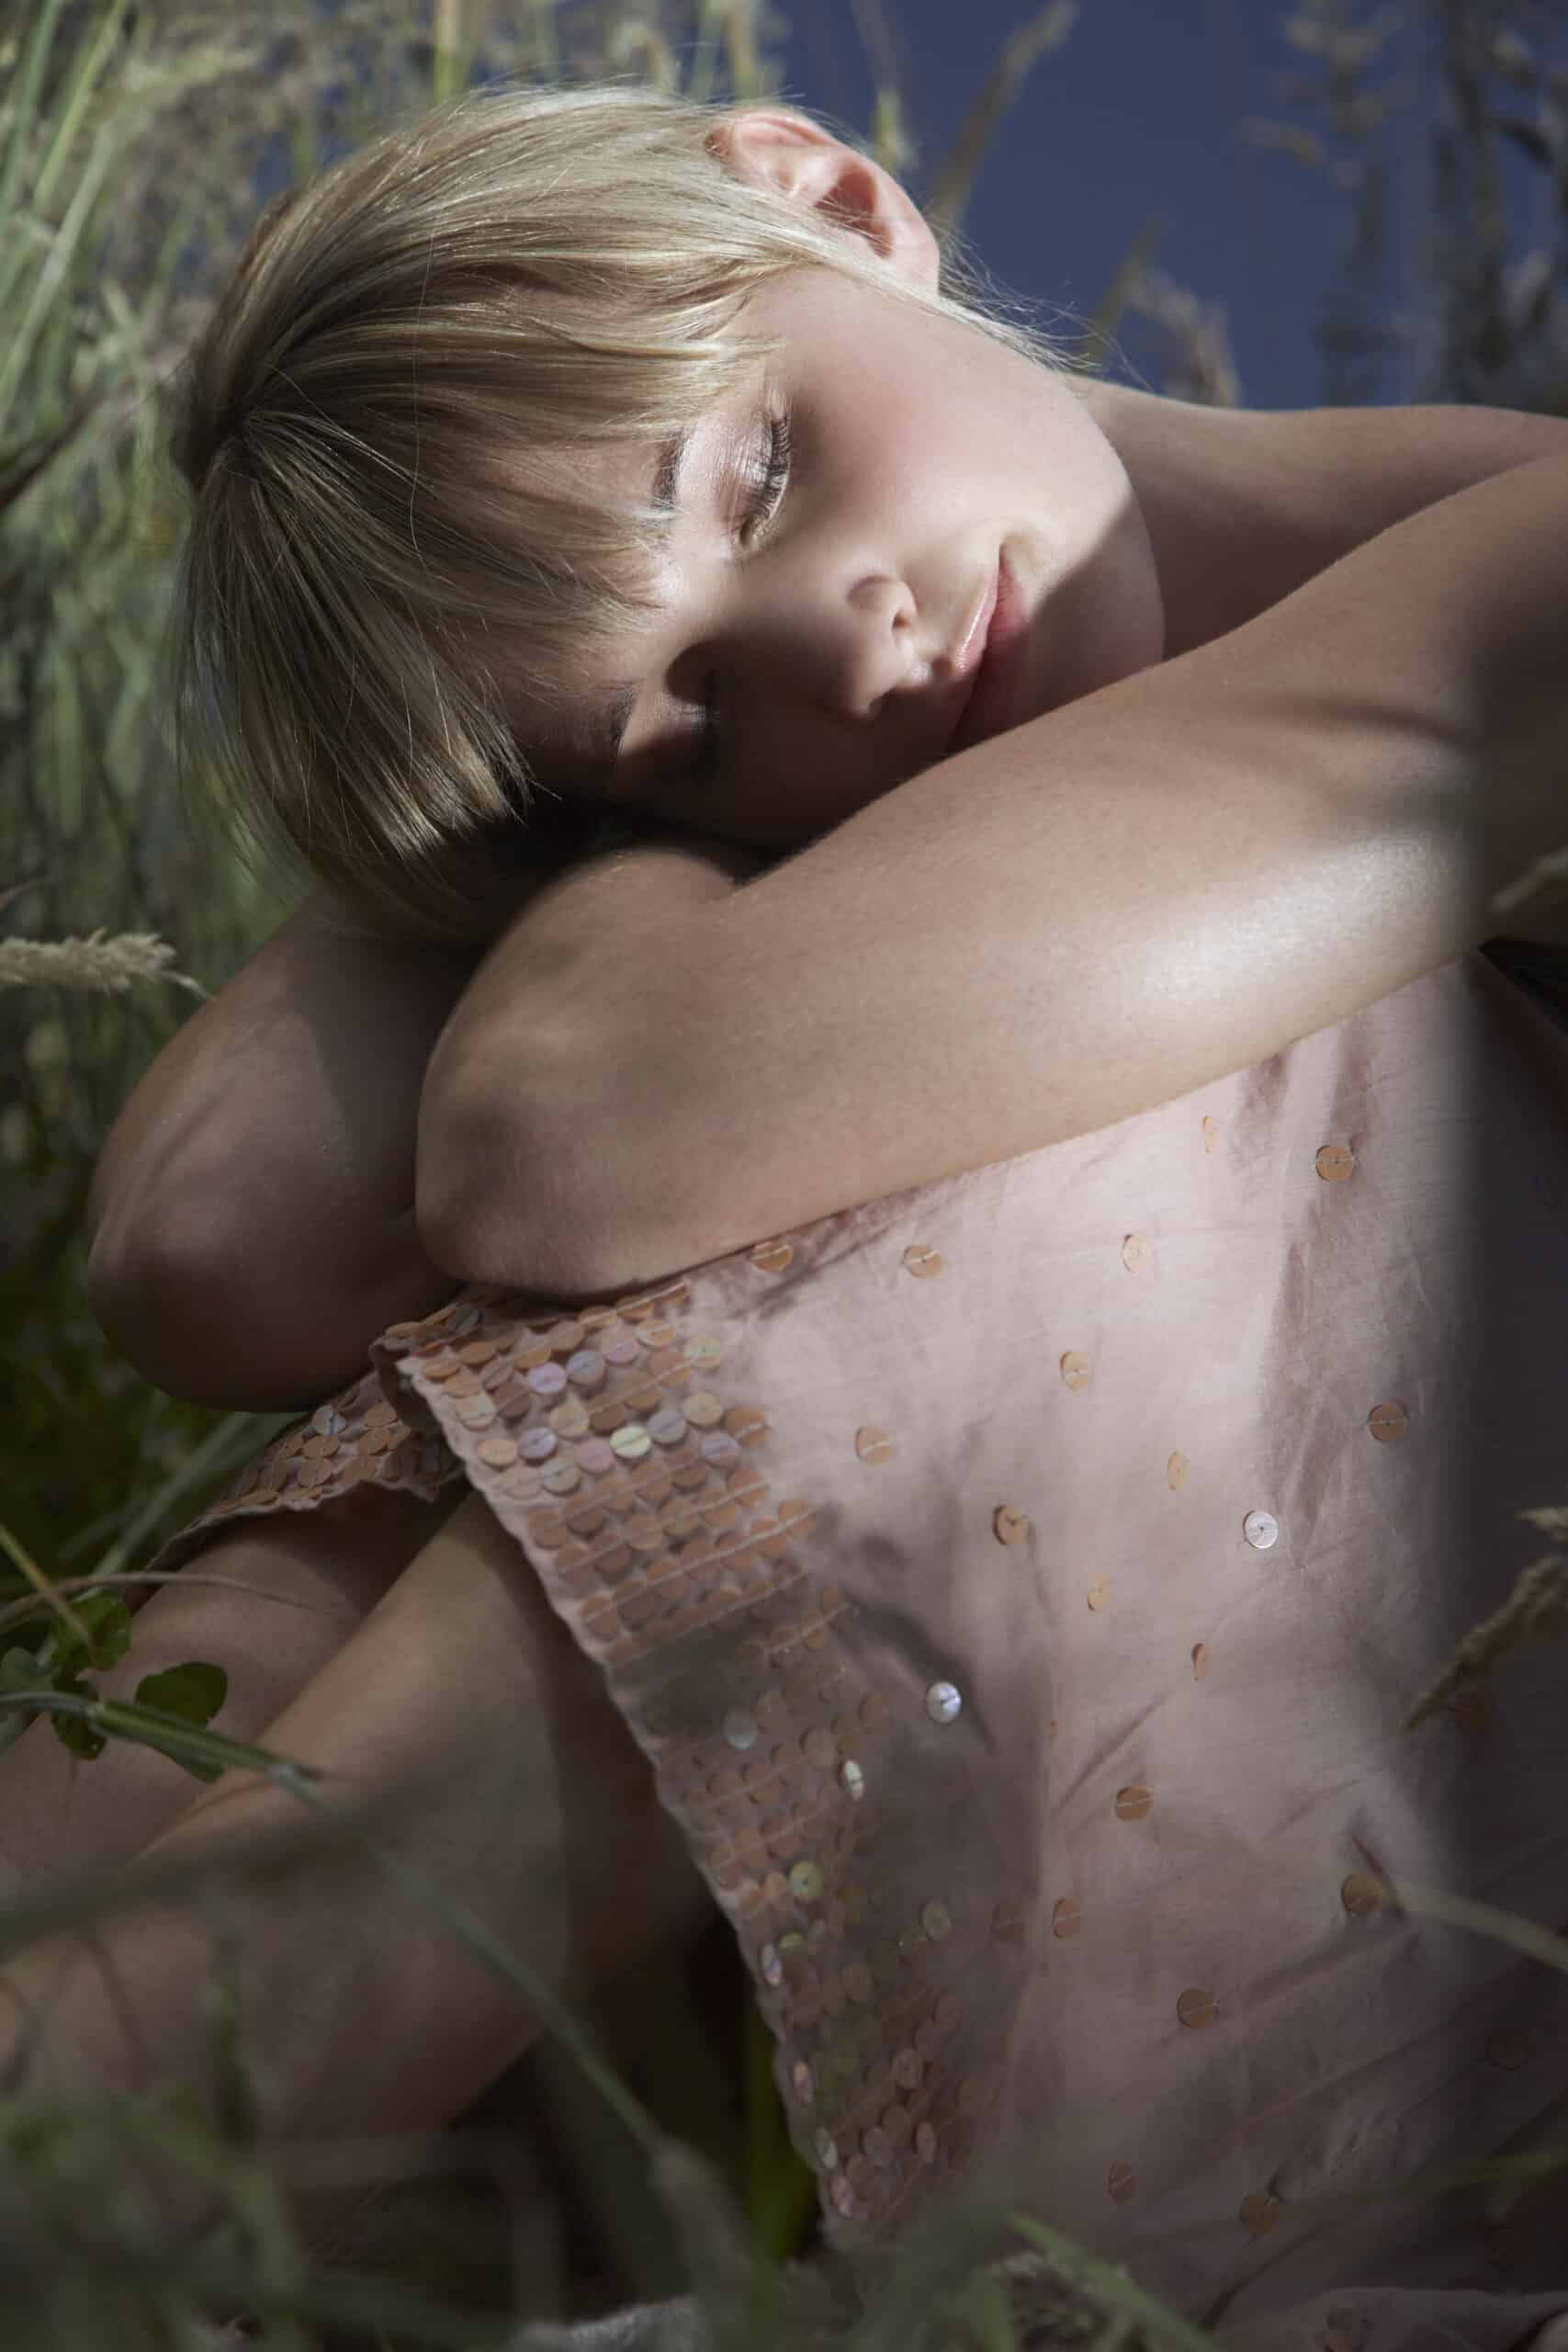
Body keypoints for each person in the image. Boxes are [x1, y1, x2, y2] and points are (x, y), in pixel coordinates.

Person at [6, 74, 1568, 2347]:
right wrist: (613, 829)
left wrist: (629, 862)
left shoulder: (1525, 560)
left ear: (825, 193)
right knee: (842, 1067)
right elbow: (209, 1232)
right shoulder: (874, 790)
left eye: (753, 469)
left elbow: (570, 1124)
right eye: (685, 727)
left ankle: (110, 2103)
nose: (843, 651)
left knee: (953, 1095)